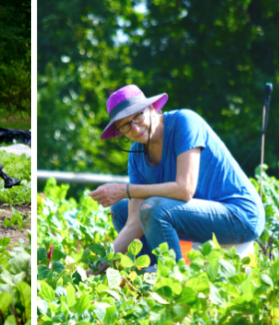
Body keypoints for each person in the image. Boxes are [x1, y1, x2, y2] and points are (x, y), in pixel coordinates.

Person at [88, 84, 264, 270]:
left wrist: (125, 190)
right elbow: (133, 224)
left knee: (152, 208)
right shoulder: (136, 155)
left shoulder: (185, 122)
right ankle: (149, 273)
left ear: (151, 108)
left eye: (137, 116)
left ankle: (171, 278)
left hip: (240, 216)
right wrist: (96, 267)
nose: (135, 127)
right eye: (124, 125)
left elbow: (185, 189)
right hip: (199, 217)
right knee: (121, 209)